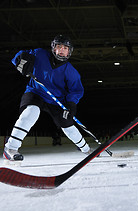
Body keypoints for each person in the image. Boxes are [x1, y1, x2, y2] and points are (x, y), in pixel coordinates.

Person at [3, 34, 92, 166]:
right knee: (31, 112)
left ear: (69, 51)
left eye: (65, 48)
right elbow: (20, 55)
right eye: (59, 47)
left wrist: (71, 103)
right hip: (35, 92)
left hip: (56, 100)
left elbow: (77, 90)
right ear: (53, 48)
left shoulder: (71, 71)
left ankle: (86, 149)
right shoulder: (39, 54)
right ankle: (10, 148)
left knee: (66, 123)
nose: (62, 50)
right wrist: (21, 60)